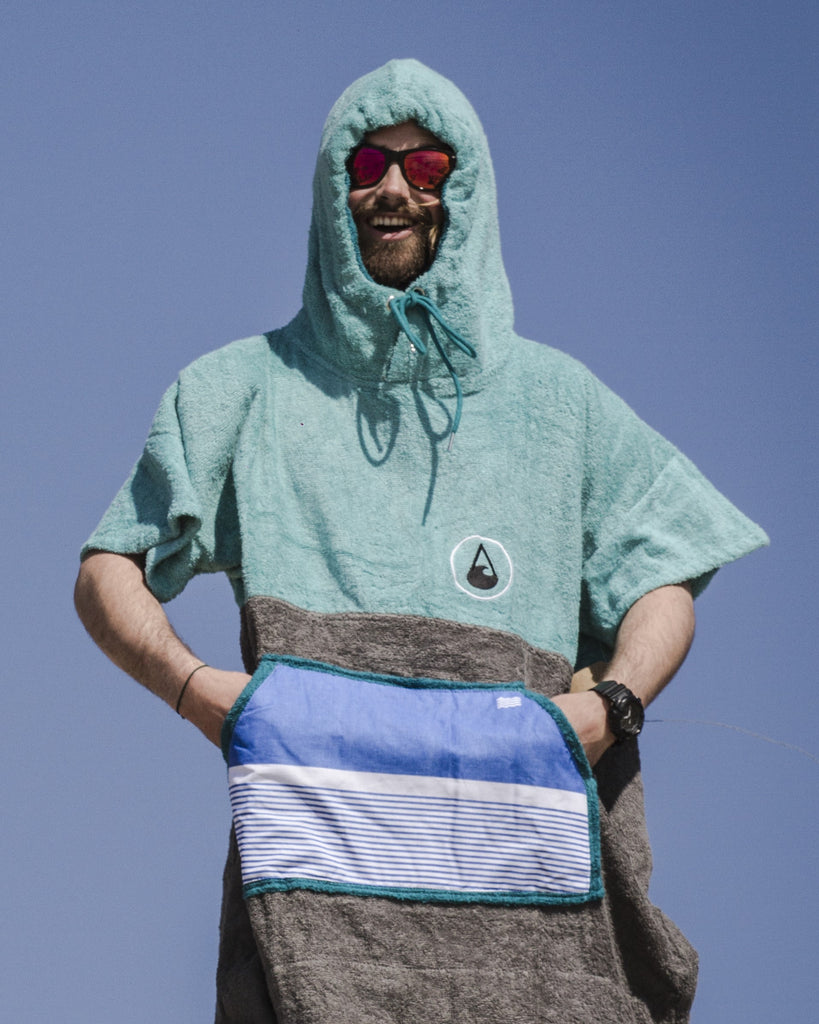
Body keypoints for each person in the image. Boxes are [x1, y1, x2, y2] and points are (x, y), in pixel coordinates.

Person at [74, 60, 767, 1024]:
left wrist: (611, 705)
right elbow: (109, 567)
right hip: (309, 933)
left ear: (465, 190)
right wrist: (204, 696)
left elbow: (666, 574)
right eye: (367, 162)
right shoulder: (240, 391)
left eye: (427, 164)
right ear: (333, 188)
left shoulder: (557, 404)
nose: (394, 188)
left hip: (538, 945)